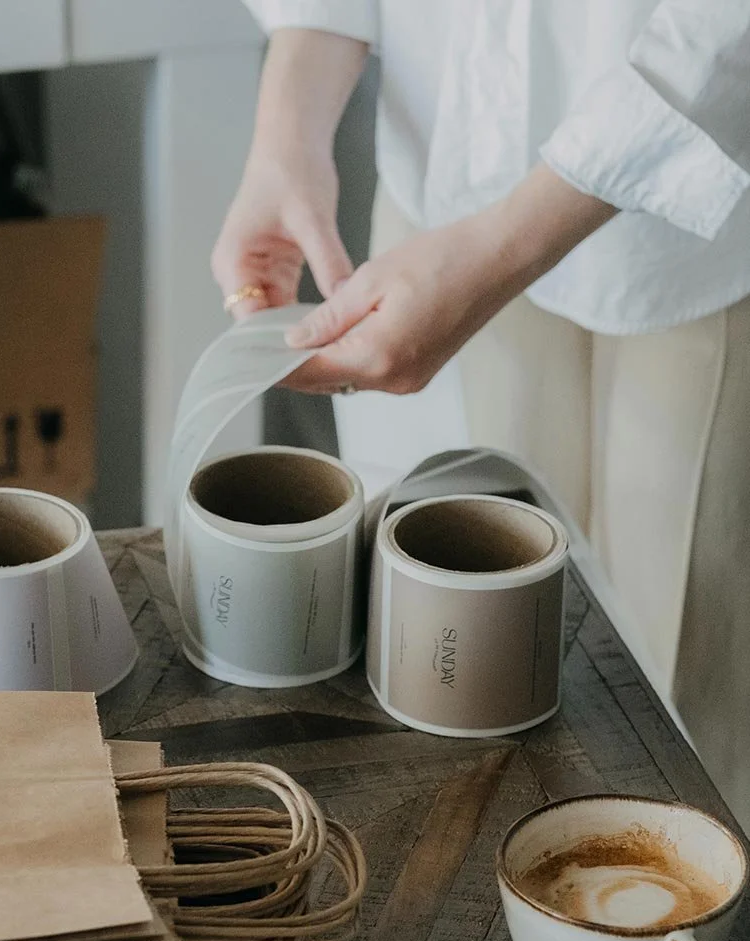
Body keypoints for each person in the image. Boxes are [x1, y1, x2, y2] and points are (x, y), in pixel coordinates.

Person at [211, 1, 750, 830]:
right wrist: (288, 129)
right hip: (444, 180)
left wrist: (507, 243)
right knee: (473, 657)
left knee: (680, 697)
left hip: (707, 206)